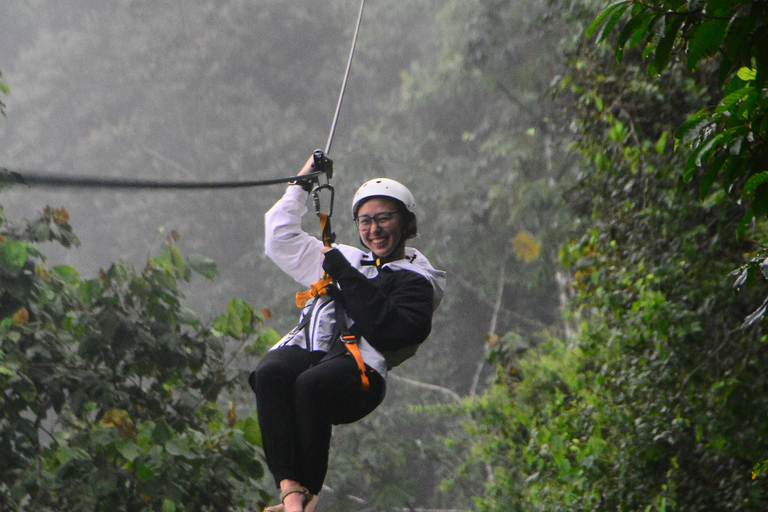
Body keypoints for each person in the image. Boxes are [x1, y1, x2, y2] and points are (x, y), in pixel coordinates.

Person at [249, 154, 446, 512]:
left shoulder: (418, 283)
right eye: (365, 221)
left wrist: (343, 273)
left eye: (384, 218)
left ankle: (306, 498)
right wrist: (303, 182)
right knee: (270, 373)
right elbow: (279, 238)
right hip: (317, 350)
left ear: (406, 222)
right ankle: (290, 490)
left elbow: (388, 330)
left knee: (310, 386)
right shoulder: (348, 259)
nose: (374, 229)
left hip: (361, 375)